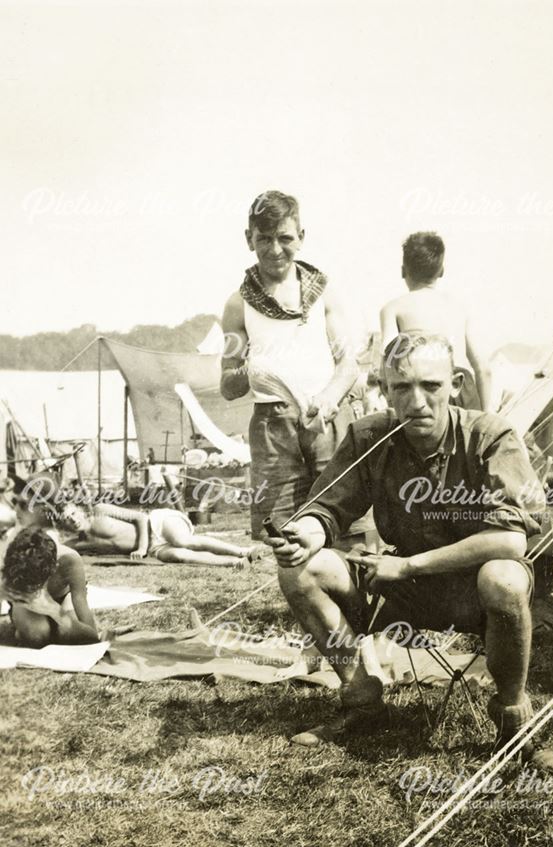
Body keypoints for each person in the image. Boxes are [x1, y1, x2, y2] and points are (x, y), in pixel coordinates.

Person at [268, 333, 553, 775]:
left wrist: (408, 564)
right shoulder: (369, 436)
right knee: (300, 570)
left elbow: (509, 540)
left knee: (504, 576)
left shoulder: (491, 435)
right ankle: (362, 700)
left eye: (430, 386)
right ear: (384, 388)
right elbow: (327, 507)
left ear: (456, 383)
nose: (416, 402)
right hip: (401, 589)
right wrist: (304, 535)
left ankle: (513, 722)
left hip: (474, 589)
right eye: (401, 387)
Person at [220, 190, 361, 540]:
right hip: (272, 425)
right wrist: (251, 367)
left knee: (345, 522)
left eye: (285, 238)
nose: (275, 249)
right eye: (263, 239)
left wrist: (328, 400)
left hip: (326, 417)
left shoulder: (324, 292)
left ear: (301, 237)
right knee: (282, 533)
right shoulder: (238, 305)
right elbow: (227, 386)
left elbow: (349, 364)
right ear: (248, 239)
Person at [378, 232, 492, 410]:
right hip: (460, 389)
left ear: (402, 271)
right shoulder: (459, 308)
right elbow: (484, 369)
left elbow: (388, 361)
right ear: (442, 271)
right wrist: (487, 416)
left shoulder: (393, 308)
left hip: (423, 391)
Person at [56, 501, 261, 567]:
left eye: (73, 513)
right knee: (179, 556)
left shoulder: (100, 510)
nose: (72, 519)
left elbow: (140, 518)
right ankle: (234, 563)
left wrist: (141, 547)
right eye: (67, 518)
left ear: (80, 511)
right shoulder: (78, 543)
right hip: (154, 548)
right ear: (64, 525)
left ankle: (243, 550)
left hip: (157, 523)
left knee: (183, 541)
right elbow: (54, 548)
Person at [1, 526, 100, 646]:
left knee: (69, 635)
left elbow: (92, 636)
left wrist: (55, 611)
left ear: (54, 567)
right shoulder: (8, 561)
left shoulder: (70, 560)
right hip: (25, 601)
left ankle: (51, 624)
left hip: (62, 598)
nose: (37, 590)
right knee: (37, 636)